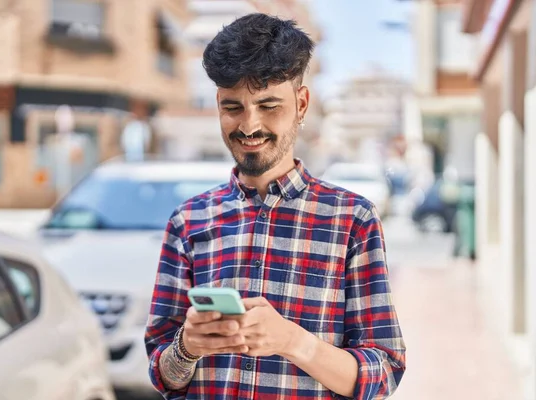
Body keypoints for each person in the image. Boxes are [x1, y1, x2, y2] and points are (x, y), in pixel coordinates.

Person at [145, 13, 406, 400]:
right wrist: (186, 348)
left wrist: (292, 341)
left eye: (269, 106)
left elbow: (383, 374)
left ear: (301, 104)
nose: (249, 126)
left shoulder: (353, 220)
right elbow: (162, 373)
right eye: (233, 107)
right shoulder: (188, 221)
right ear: (218, 104)